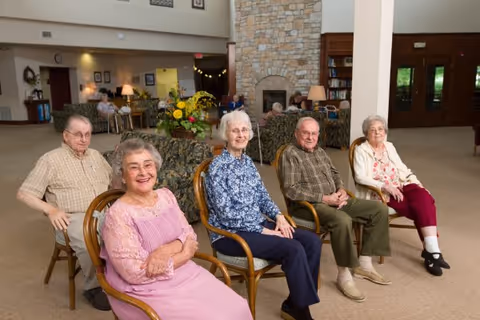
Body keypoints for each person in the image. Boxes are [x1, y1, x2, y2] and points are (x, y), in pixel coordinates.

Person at [101, 139, 252, 320]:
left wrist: (166, 249)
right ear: (123, 175)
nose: (143, 172)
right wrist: (183, 254)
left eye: (148, 165)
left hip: (185, 274)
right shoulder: (118, 215)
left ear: (156, 168)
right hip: (146, 290)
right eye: (134, 167)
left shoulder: (166, 196)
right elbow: (135, 273)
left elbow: (189, 234)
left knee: (238, 308)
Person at [205, 110, 321, 320]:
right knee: (292, 248)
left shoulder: (248, 162)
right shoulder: (218, 168)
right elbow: (226, 215)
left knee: (312, 241)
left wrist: (277, 216)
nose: (240, 135)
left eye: (244, 130)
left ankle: (294, 303)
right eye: (235, 131)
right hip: (229, 234)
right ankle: (301, 311)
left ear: (250, 133)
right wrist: (264, 230)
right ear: (225, 134)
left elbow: (262, 196)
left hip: (258, 225)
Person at [281, 117, 391, 303]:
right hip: (309, 206)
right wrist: (325, 198)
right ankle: (344, 275)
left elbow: (334, 173)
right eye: (305, 133)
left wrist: (340, 190)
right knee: (342, 220)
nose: (310, 137)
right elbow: (291, 190)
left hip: (335, 199)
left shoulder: (320, 151)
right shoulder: (291, 154)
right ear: (296, 134)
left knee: (379, 209)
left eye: (314, 133)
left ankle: (364, 264)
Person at [17, 115, 112, 311]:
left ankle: (122, 278)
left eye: (87, 134)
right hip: (72, 217)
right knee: (88, 241)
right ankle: (94, 287)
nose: (84, 139)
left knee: (131, 228)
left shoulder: (95, 155)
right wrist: (50, 209)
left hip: (104, 210)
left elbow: (112, 181)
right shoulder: (50, 160)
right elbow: (24, 193)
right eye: (78, 134)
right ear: (65, 135)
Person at [353, 115, 450, 276]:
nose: (377, 133)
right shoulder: (361, 150)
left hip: (402, 184)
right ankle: (432, 253)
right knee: (422, 208)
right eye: (372, 130)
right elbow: (360, 176)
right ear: (366, 133)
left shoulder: (389, 146)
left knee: (424, 198)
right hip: (382, 192)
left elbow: (402, 168)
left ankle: (432, 251)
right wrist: (385, 186)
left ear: (385, 132)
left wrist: (418, 185)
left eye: (380, 129)